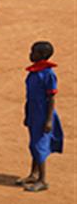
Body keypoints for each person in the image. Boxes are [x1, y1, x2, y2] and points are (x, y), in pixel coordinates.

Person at [19, 41, 63, 193]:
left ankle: (42, 180)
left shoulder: (48, 74)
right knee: (34, 143)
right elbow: (29, 96)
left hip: (43, 114)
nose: (30, 54)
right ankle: (34, 173)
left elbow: (51, 98)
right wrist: (27, 114)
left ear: (42, 56)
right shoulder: (33, 72)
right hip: (33, 112)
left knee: (38, 146)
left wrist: (49, 120)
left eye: (34, 52)